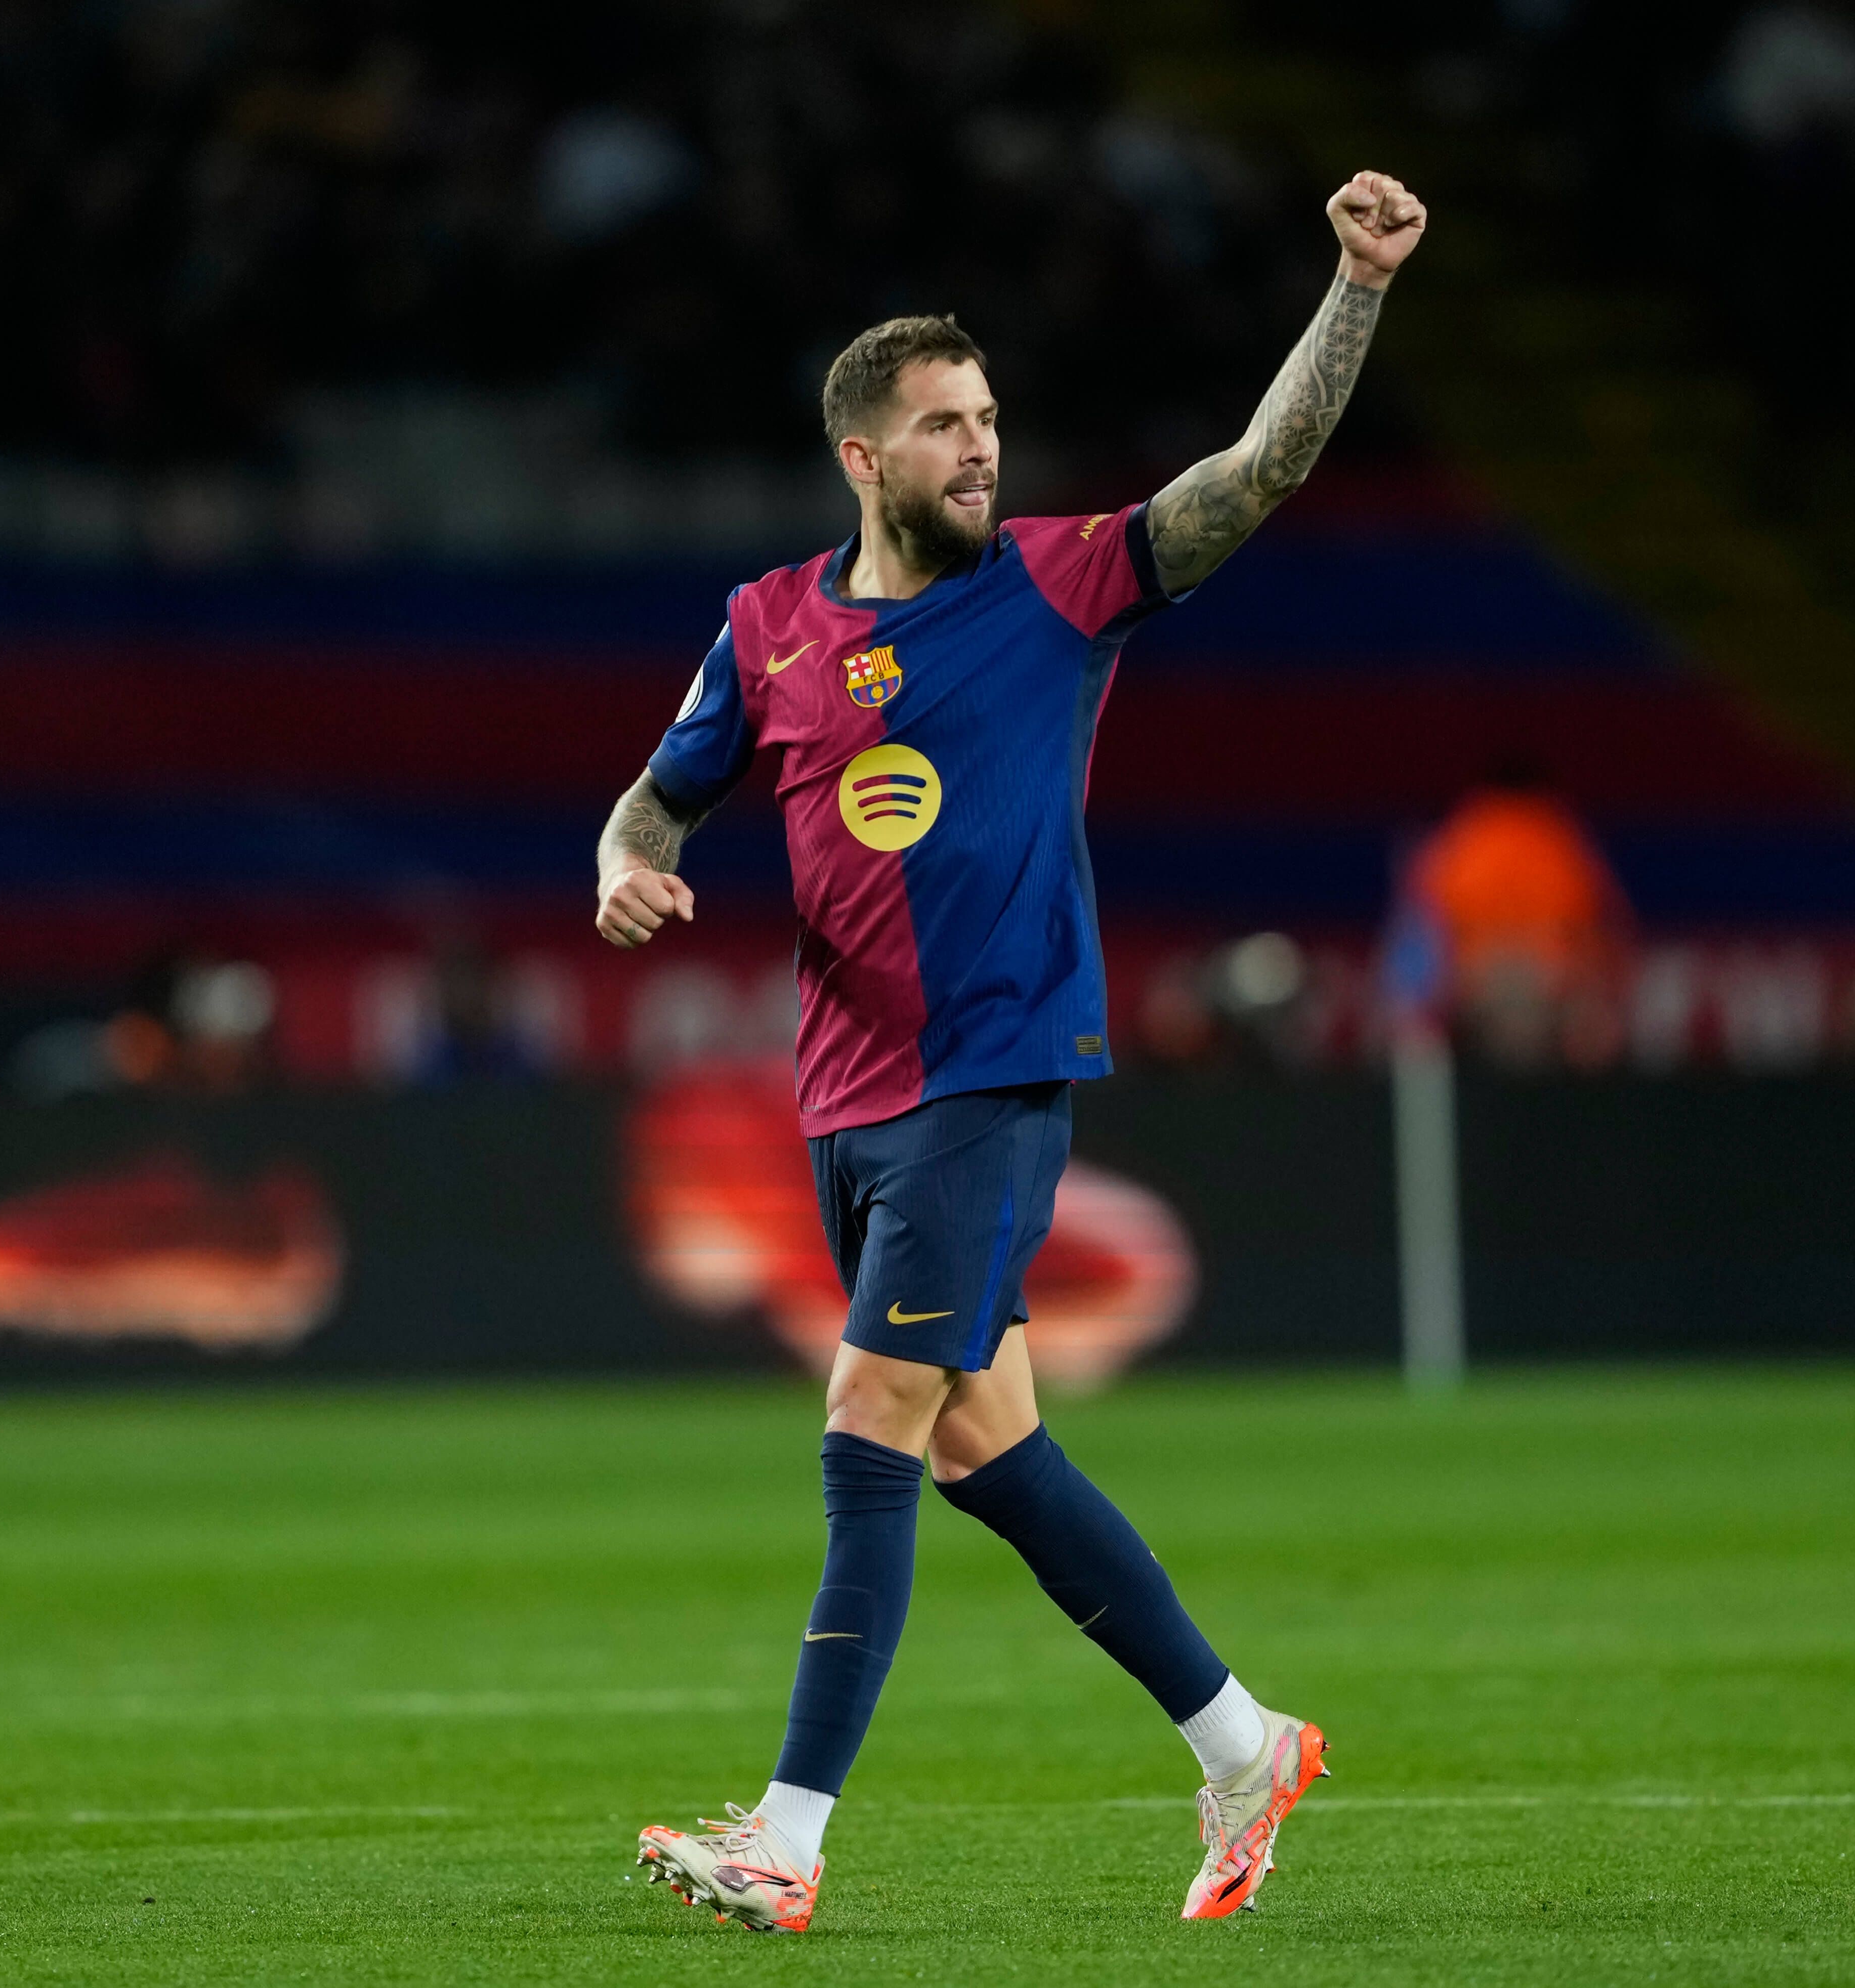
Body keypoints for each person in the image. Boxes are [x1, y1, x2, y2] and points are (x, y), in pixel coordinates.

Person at [595, 167, 1426, 1930]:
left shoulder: (1061, 585)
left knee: (867, 1418)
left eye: (988, 420)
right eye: (944, 428)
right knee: (987, 1445)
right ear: (862, 459)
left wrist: (1353, 287)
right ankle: (1243, 1738)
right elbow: (656, 803)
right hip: (847, 1097)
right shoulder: (767, 630)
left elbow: (1254, 474)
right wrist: (623, 868)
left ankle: (791, 1833)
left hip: (991, 1078)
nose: (982, 451)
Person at [1393, 761, 1632, 1069]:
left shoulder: (1456, 841)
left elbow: (1417, 939)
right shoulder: (1562, 840)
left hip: (1482, 993)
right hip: (1543, 992)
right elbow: (1609, 933)